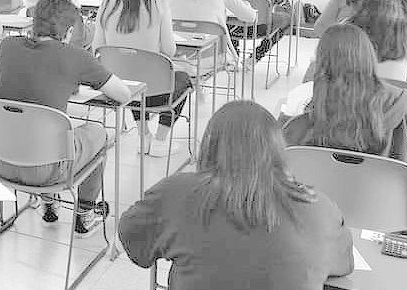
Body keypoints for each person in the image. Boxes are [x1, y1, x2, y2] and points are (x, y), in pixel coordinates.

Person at [119, 100, 353, 290]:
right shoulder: (318, 206)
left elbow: (134, 242)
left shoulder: (174, 193)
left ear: (210, 145)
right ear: (278, 149)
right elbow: (343, 265)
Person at [0, 0, 132, 236]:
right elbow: (123, 94)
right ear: (69, 32)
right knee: (98, 133)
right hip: (46, 171)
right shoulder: (75, 57)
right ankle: (85, 213)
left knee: (41, 130)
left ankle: (49, 201)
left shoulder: (7, 46)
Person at [283, 24, 407, 185]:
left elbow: (278, 172)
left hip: (318, 199)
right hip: (384, 199)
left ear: (321, 64)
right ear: (370, 58)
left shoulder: (302, 118)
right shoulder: (400, 105)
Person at [94, 0, 190, 156]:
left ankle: (143, 135)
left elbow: (97, 48)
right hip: (157, 90)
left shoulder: (107, 4)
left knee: (132, 76)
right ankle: (160, 140)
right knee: (184, 79)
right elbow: (169, 50)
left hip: (119, 87)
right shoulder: (158, 4)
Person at [162, 0, 257, 65]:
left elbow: (160, 15)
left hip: (178, 55)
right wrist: (246, 4)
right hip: (214, 56)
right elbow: (250, 17)